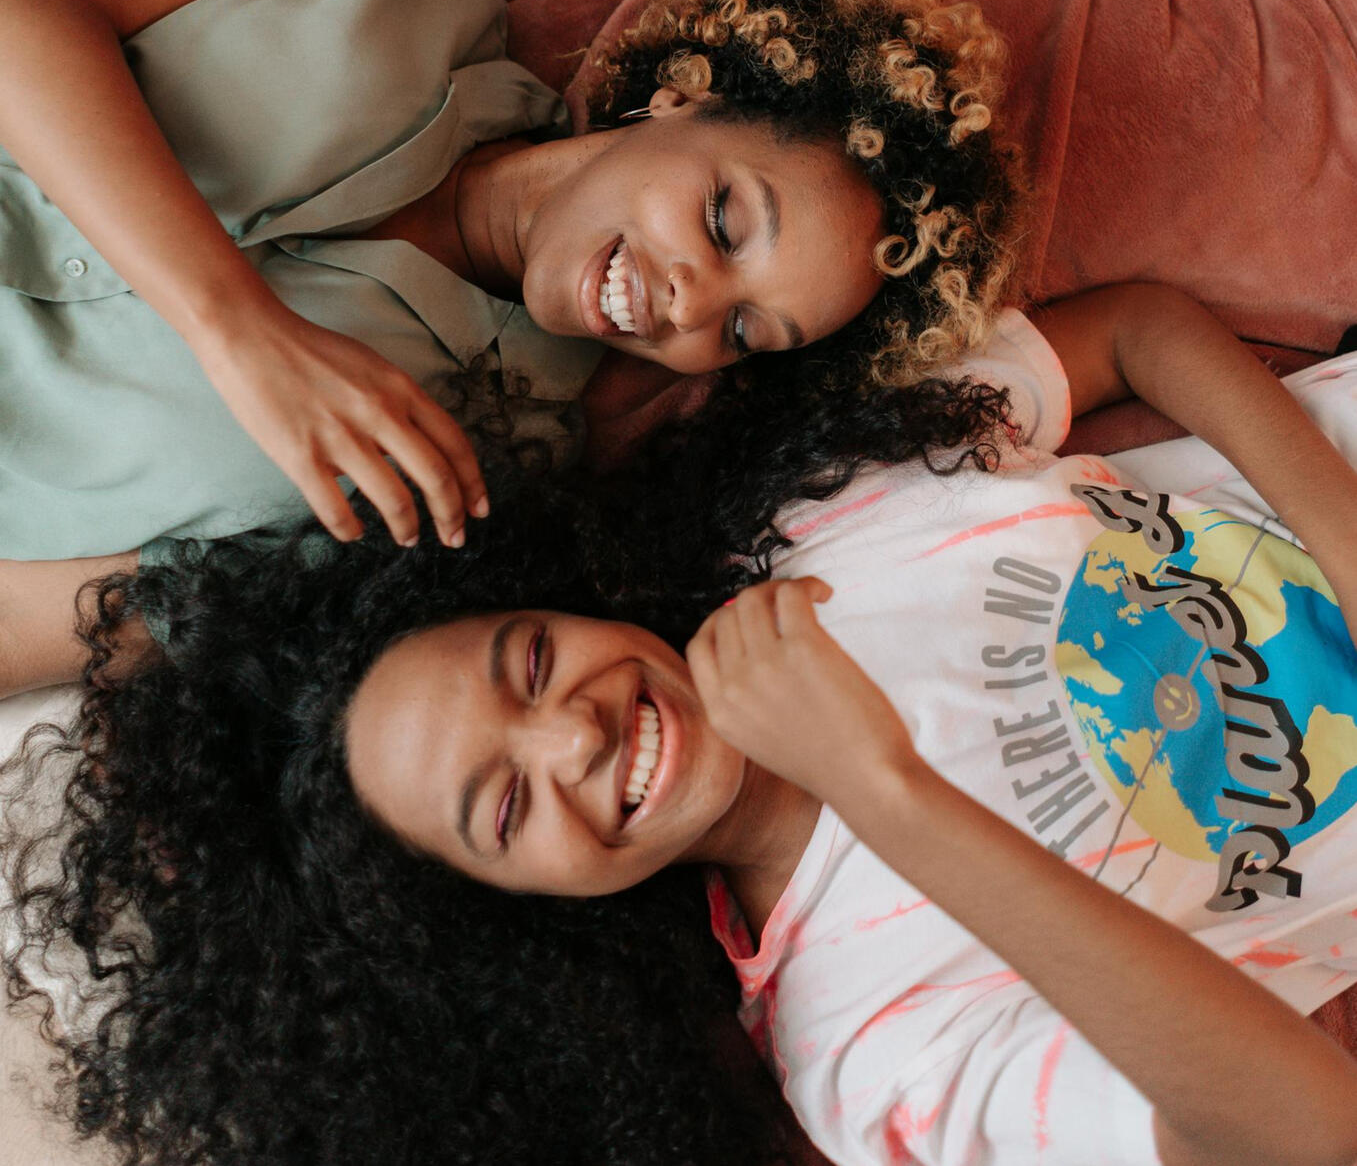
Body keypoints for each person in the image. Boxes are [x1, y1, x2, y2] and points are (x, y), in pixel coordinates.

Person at [7, 282, 1357, 1165]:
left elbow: (1134, 333)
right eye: (505, 806)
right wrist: (882, 794)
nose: (573, 736)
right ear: (515, 915)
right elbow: (1305, 1130)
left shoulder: (800, 513)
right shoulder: (868, 1051)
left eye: (532, 660)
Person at [0, 0, 1020, 695]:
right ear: (684, 98)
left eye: (744, 329)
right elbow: (21, 12)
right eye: (722, 220)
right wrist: (238, 328)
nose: (691, 303)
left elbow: (99, 613)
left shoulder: (478, 470)